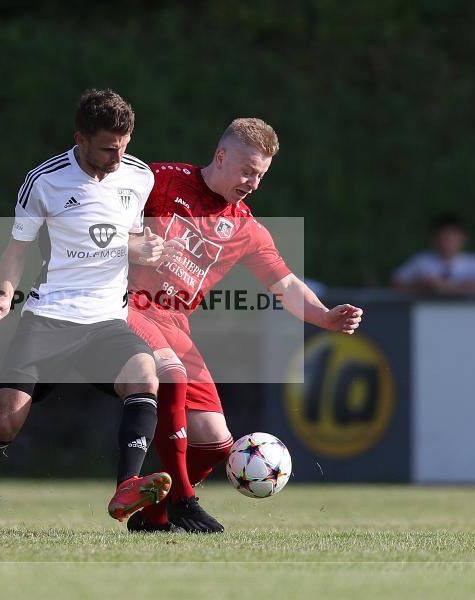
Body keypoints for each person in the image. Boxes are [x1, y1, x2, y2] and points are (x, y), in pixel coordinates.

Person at [0, 89, 171, 534]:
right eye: (107, 147)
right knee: (5, 420)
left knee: (145, 375)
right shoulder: (44, 181)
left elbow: (128, 241)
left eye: (125, 144)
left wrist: (145, 248)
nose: (118, 156)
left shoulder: (138, 177)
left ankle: (126, 487)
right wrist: (4, 292)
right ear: (80, 138)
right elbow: (16, 251)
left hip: (107, 320)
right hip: (50, 317)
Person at [124, 118, 364, 533]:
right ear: (221, 157)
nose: (254, 182)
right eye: (248, 170)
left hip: (175, 324)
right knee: (173, 377)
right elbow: (101, 222)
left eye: (261, 175)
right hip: (128, 306)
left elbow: (286, 283)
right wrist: (131, 243)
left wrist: (324, 316)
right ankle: (183, 500)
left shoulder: (246, 228)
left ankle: (153, 516)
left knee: (216, 441)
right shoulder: (159, 179)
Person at [392, 213, 475, 294]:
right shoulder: (422, 261)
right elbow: (397, 283)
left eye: (452, 237)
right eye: (444, 237)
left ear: (463, 239)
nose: (448, 242)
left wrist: (452, 287)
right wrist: (424, 286)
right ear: (434, 239)